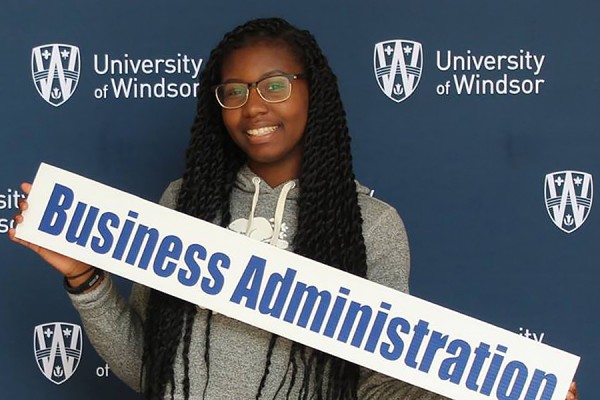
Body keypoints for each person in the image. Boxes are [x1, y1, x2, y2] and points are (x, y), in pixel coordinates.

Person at [9, 17, 578, 400]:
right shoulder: (180, 206)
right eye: (233, 91)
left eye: (274, 85)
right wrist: (86, 278)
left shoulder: (370, 226)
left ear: (313, 92)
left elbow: (377, 387)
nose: (252, 106)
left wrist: (507, 387)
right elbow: (150, 370)